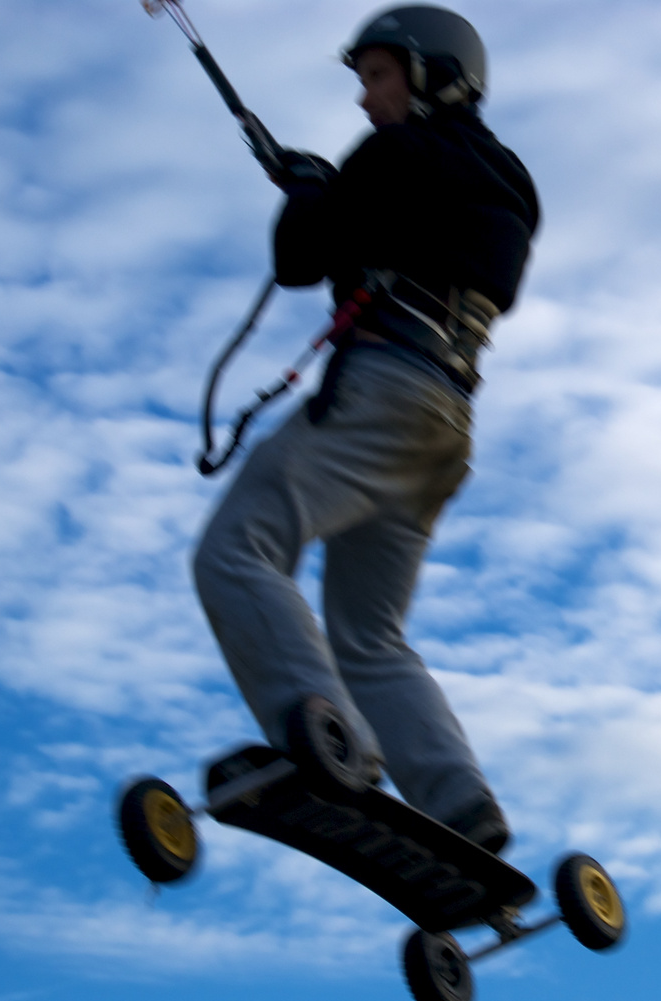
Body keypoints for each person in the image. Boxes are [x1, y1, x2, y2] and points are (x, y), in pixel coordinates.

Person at [192, 4, 538, 854]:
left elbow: (299, 256)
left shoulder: (403, 153)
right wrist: (332, 195)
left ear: (433, 78)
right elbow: (413, 238)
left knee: (236, 552)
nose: (364, 100)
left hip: (381, 394)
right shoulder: (504, 177)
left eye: (377, 77)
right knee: (368, 633)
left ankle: (319, 726)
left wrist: (312, 187)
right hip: (444, 422)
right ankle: (461, 802)